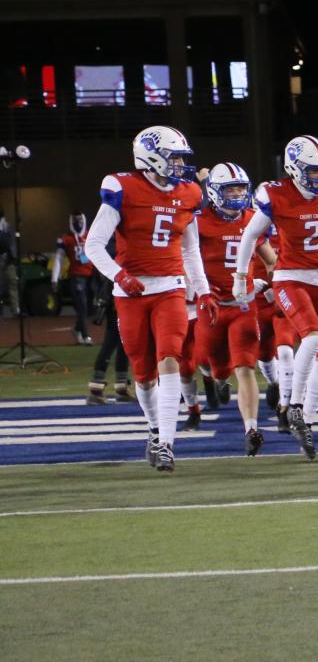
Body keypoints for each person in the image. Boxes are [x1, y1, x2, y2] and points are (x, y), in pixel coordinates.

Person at [82, 125, 213, 472]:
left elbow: (191, 250)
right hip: (131, 292)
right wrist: (121, 275)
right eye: (174, 157)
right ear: (151, 156)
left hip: (170, 288)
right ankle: (155, 430)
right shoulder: (123, 187)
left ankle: (167, 443)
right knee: (142, 373)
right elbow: (93, 245)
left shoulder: (188, 194)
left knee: (169, 357)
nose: (180, 166)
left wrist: (203, 289)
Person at [233, 136, 318, 460]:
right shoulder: (276, 194)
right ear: (294, 168)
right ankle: (292, 402)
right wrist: (240, 275)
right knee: (312, 333)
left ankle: (305, 420)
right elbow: (250, 234)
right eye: (314, 170)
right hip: (289, 277)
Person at [194, 163, 279, 454]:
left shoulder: (254, 219)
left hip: (244, 305)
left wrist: (273, 285)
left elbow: (271, 260)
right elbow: (187, 257)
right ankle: (217, 380)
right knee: (216, 368)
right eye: (230, 188)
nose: (237, 194)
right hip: (212, 306)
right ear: (215, 192)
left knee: (245, 366)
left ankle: (251, 428)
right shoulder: (198, 221)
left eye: (241, 188)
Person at [53, 212, 97, 344]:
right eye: (76, 220)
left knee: (90, 308)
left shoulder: (90, 235)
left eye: (80, 219)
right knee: (82, 306)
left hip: (91, 276)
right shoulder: (66, 239)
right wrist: (55, 278)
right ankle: (84, 335)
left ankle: (78, 329)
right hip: (77, 276)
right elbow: (58, 259)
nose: (79, 223)